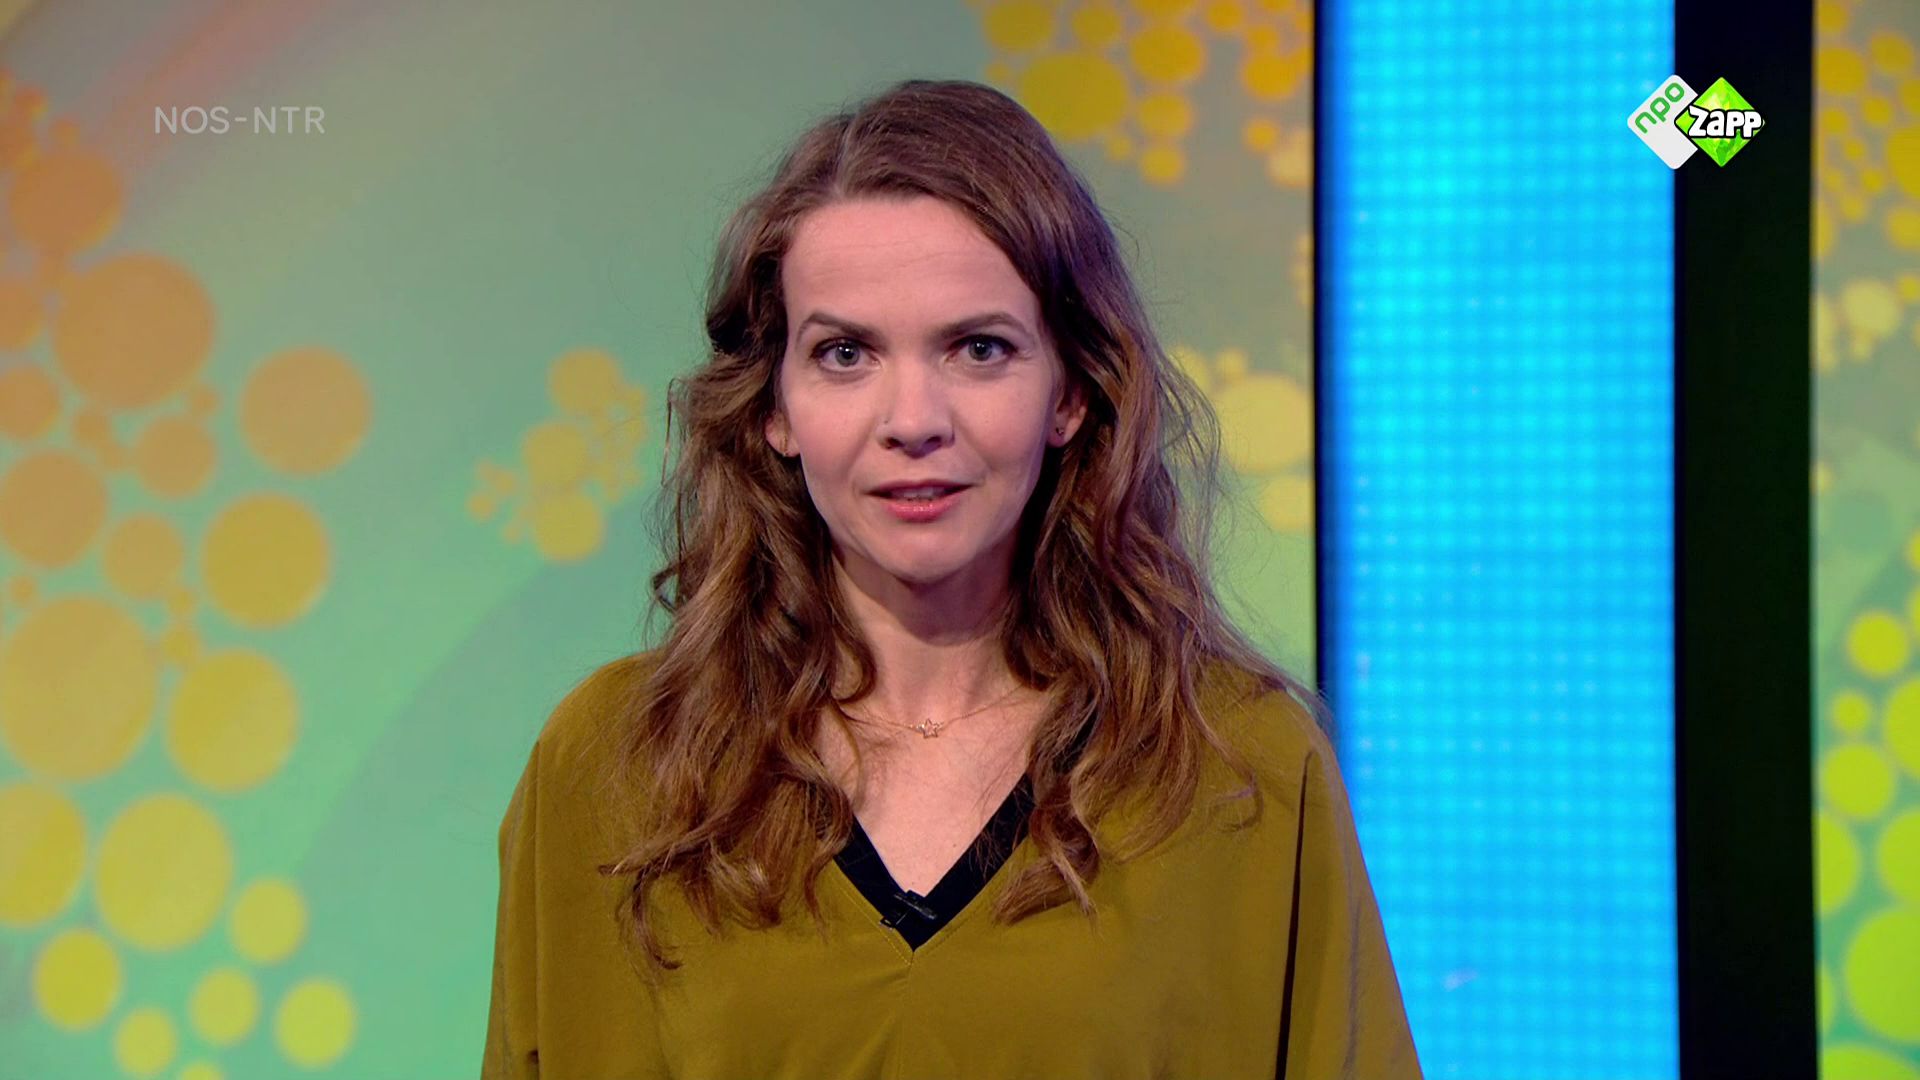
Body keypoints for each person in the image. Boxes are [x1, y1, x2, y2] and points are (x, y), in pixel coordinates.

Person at [482, 77, 1420, 1079]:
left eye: (978, 348)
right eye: (845, 353)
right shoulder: (615, 765)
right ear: (775, 407)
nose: (913, 420)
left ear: (1070, 392)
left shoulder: (1241, 768)